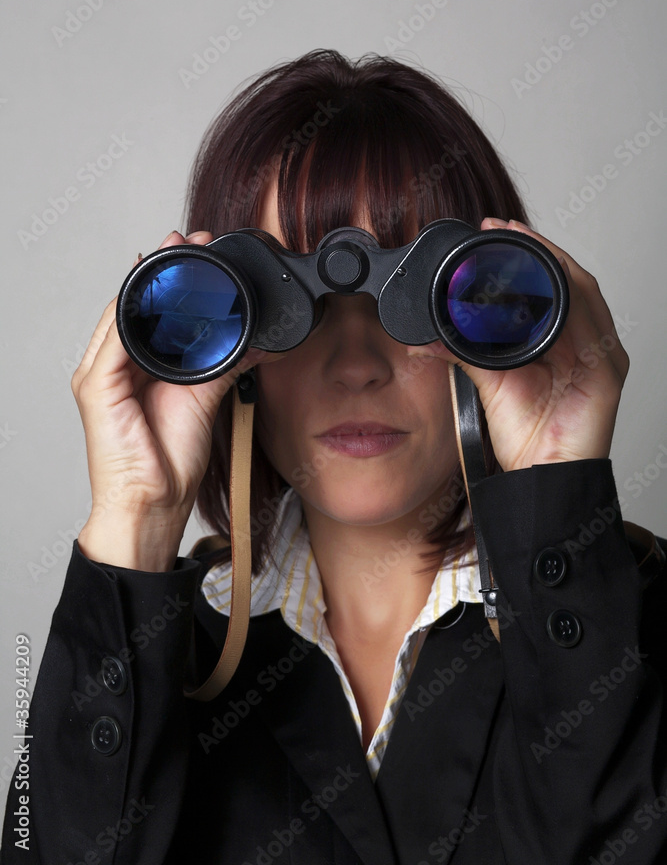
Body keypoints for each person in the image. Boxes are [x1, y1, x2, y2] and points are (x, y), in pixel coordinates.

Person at [2, 49, 666, 865]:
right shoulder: (160, 654)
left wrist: (555, 493)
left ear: (488, 320)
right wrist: (135, 519)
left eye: (412, 303)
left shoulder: (625, 624)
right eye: (291, 308)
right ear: (234, 353)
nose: (356, 365)